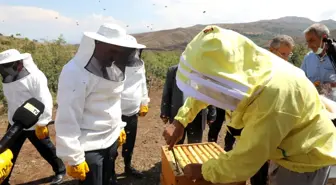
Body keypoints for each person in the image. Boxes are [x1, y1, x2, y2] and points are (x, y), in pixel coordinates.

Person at [163, 25, 336, 185]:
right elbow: (208, 86)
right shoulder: (245, 66)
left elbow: (246, 159)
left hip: (304, 159)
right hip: (283, 143)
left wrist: (203, 170)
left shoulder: (274, 95)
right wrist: (181, 120)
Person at [54, 23, 146, 185]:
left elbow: (114, 102)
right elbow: (68, 116)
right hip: (89, 146)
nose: (115, 56)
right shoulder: (74, 72)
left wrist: (119, 127)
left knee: (110, 180)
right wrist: (73, 156)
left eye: (120, 51)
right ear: (98, 45)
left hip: (110, 139)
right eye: (112, 50)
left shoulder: (113, 68)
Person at [0, 49, 66, 185]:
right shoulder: (7, 79)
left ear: (18, 64)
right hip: (15, 121)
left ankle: (60, 170)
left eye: (7, 65)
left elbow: (45, 100)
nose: (5, 69)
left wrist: (43, 123)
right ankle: (4, 179)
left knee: (46, 149)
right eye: (3, 66)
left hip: (34, 121)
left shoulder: (35, 77)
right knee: (7, 152)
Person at [160, 64, 216, 144]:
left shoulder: (204, 71)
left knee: (195, 145)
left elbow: (209, 92)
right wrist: (164, 112)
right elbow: (167, 92)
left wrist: (211, 113)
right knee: (176, 144)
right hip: (177, 114)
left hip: (198, 115)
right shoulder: (174, 70)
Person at [119, 48, 149, 178]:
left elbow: (142, 83)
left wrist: (144, 102)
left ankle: (128, 167)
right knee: (112, 145)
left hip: (133, 112)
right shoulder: (113, 64)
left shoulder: (139, 64)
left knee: (129, 142)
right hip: (115, 113)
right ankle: (109, 173)